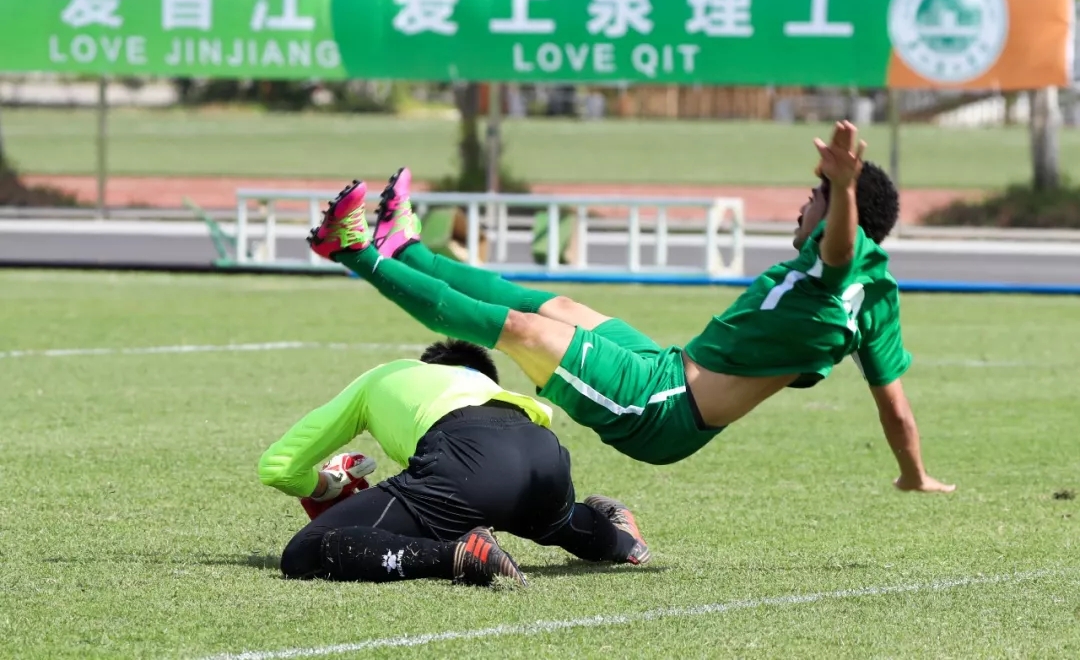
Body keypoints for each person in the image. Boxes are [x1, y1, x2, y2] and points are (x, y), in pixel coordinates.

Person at [307, 121, 953, 493]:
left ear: (841, 212)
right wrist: (914, 474)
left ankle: (352, 249)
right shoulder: (878, 294)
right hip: (665, 367)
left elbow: (838, 253)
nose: (803, 205)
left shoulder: (834, 259)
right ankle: (406, 248)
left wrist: (841, 188)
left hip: (662, 412)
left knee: (521, 330)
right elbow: (895, 408)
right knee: (553, 305)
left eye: (815, 197)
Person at [258, 338, 650, 588]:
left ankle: (458, 556)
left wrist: (325, 485)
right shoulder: (494, 390)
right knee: (555, 523)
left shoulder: (388, 376)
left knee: (303, 553)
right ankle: (622, 539)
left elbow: (278, 467)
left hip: (464, 463)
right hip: (545, 456)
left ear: (429, 366)